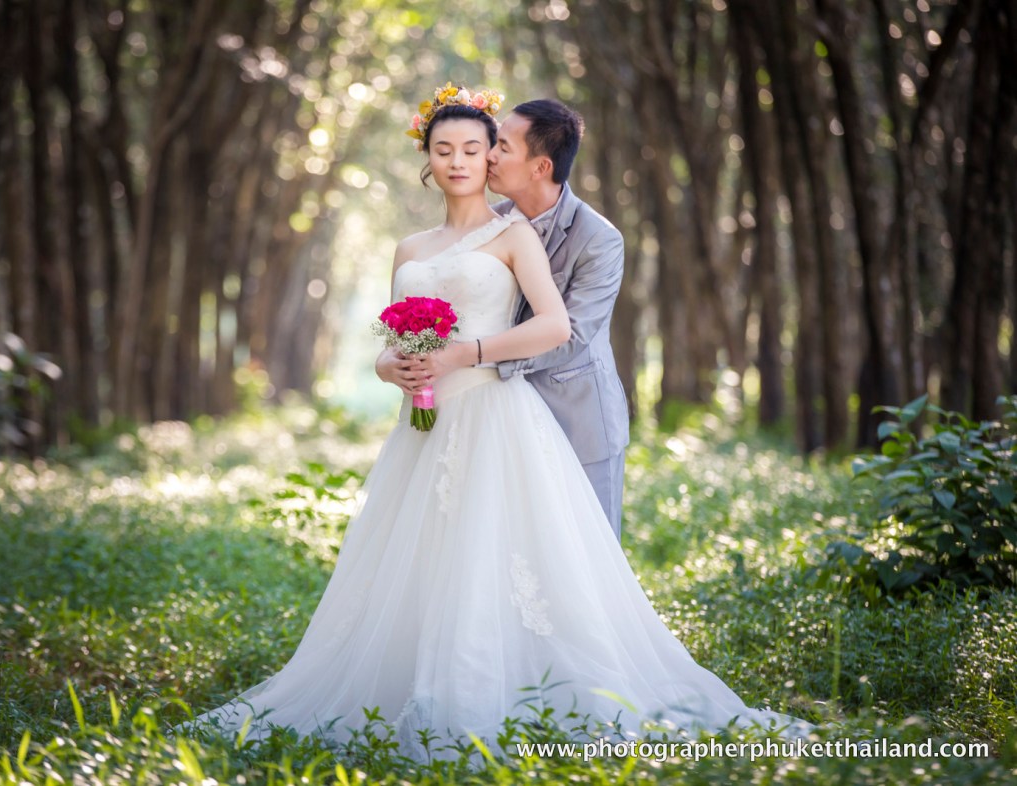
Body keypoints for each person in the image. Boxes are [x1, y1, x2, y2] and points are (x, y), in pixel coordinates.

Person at [184, 84, 810, 761]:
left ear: (501, 162)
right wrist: (390, 367)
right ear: (426, 158)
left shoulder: (533, 236)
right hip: (423, 429)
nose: (465, 160)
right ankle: (415, 686)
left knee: (552, 562)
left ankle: (535, 686)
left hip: (514, 413)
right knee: (424, 559)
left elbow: (559, 327)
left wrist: (467, 358)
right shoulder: (411, 246)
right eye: (445, 149)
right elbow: (393, 343)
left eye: (483, 148)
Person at [377, 98, 629, 538]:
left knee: (585, 553)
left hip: (574, 412)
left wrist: (466, 360)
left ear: (539, 167)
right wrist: (394, 364)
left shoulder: (599, 241)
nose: (488, 155)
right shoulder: (488, 226)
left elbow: (568, 336)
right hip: (474, 415)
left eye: (502, 147)